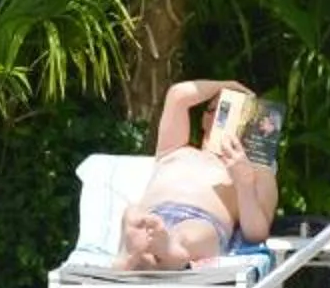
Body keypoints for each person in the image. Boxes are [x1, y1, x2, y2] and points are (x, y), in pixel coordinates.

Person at [117, 78, 278, 270]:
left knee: (190, 234)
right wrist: (226, 86)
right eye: (218, 110)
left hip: (202, 220)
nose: (223, 117)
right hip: (153, 215)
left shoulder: (256, 170)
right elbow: (178, 94)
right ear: (203, 119)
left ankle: (163, 250)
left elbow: (256, 233)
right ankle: (140, 252)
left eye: (236, 112)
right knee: (134, 214)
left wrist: (243, 180)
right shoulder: (173, 148)